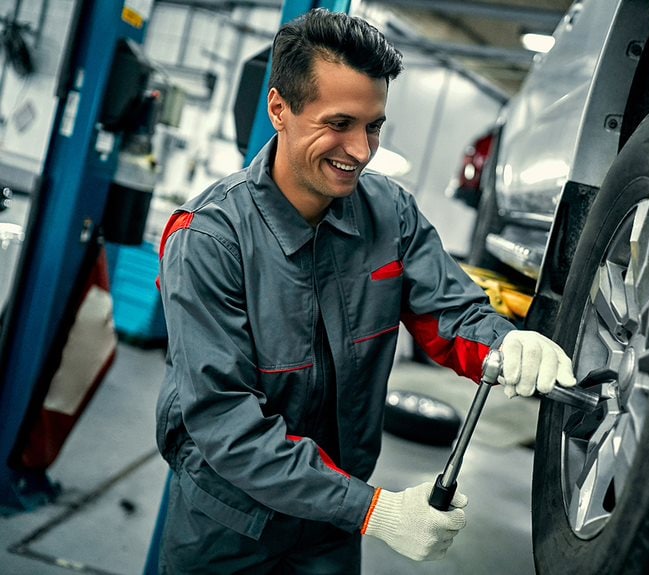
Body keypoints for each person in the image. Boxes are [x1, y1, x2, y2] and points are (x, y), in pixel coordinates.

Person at [155, 8, 576, 574]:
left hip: (331, 528)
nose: (359, 150)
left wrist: (508, 345)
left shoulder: (390, 213)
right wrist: (374, 511)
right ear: (279, 108)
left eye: (373, 126)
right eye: (339, 123)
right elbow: (226, 425)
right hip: (230, 525)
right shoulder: (209, 238)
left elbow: (450, 318)